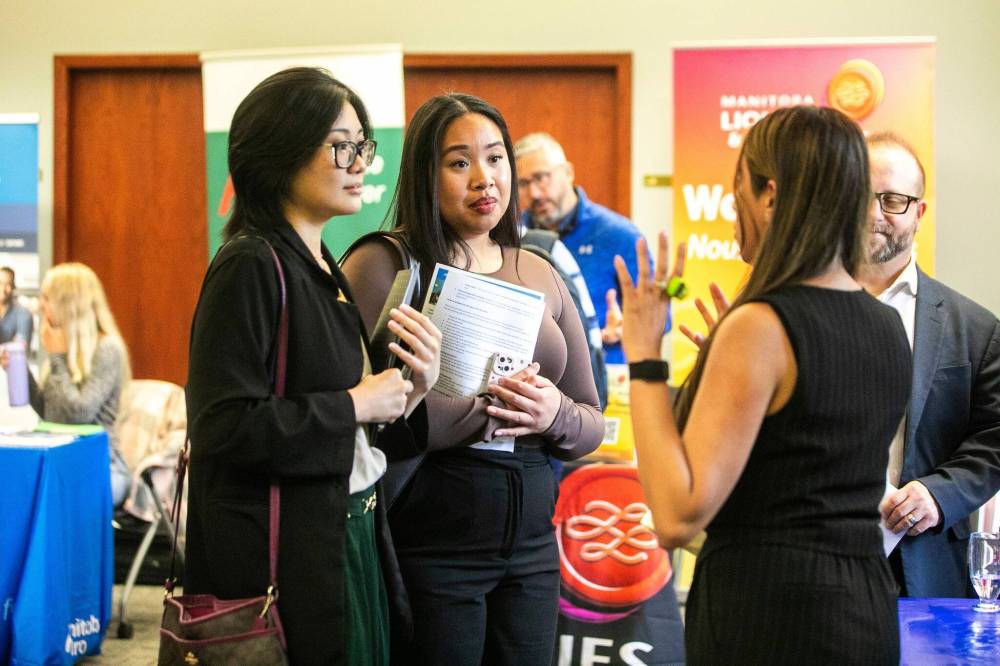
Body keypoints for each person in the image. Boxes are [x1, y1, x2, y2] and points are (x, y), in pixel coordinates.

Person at [616, 106, 911, 663]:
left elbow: (677, 516)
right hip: (865, 607)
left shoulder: (761, 326)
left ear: (770, 197)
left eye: (737, 196)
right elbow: (805, 456)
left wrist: (645, 358)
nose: (733, 217)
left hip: (773, 614)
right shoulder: (887, 323)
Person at [183, 67, 441, 665]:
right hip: (283, 563)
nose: (360, 163)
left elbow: (358, 434)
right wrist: (356, 402)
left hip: (345, 538)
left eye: (363, 146)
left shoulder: (324, 266)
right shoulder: (249, 265)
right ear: (281, 151)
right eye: (341, 145)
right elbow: (222, 427)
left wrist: (414, 391)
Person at [341, 93, 604, 665]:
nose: (484, 177)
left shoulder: (538, 267)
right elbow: (365, 421)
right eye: (459, 162)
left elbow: (592, 422)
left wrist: (551, 414)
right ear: (423, 174)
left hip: (532, 545)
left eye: (495, 158)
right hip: (431, 542)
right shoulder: (384, 264)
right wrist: (494, 409)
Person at [857, 131, 1000, 598]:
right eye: (863, 194)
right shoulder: (797, 314)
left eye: (893, 200)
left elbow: (995, 439)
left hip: (927, 564)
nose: (875, 213)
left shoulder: (976, 329)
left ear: (919, 212)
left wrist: (939, 494)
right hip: (823, 563)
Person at [514, 132, 655, 364]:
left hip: (606, 375)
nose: (535, 193)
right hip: (536, 377)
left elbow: (660, 317)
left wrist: (627, 326)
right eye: (523, 184)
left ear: (568, 172)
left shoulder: (620, 235)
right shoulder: (513, 240)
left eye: (542, 178)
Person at [1, 262, 131, 504]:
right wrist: (20, 373)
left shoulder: (107, 349)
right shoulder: (63, 347)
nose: (40, 307)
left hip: (102, 465)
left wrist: (57, 358)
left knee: (49, 497)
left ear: (69, 303)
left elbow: (79, 413)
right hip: (61, 462)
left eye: (47, 298)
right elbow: (50, 413)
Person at [0, 266, 33, 344]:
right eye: (0, 283)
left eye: (8, 284)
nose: (3, 289)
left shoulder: (24, 314)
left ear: (14, 286)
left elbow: (20, 348)